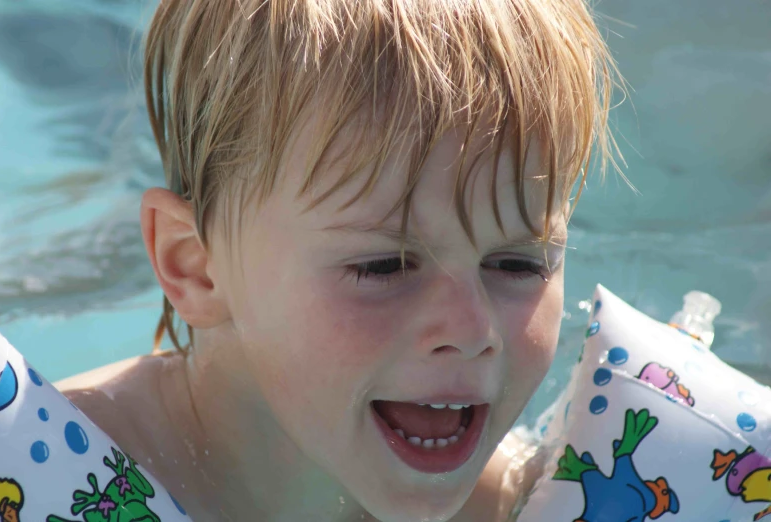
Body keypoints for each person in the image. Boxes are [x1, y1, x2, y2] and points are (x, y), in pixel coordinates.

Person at [55, 0, 623, 520]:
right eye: (384, 266)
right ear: (196, 267)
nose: (473, 331)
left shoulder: (526, 504)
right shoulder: (51, 477)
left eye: (517, 264)